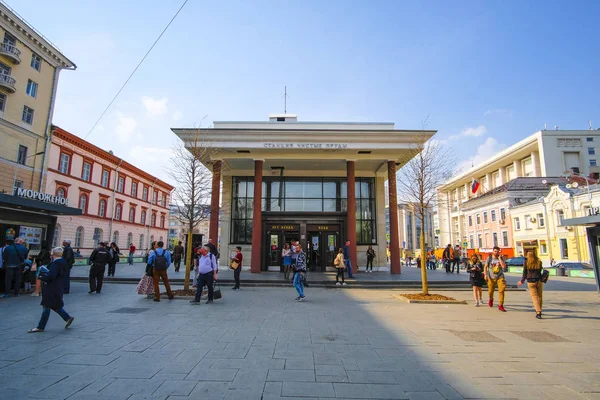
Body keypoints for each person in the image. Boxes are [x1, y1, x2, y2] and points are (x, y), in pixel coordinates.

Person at [28, 246, 74, 333]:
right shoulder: (64, 262)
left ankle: (40, 326)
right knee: (54, 305)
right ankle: (67, 317)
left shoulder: (55, 264)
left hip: (51, 287)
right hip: (58, 287)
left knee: (46, 306)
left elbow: (52, 275)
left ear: (53, 254)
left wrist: (42, 276)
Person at [518, 251, 545, 319]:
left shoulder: (526, 262)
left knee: (534, 297)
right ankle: (539, 310)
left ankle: (538, 311)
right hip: (539, 280)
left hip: (530, 281)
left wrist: (522, 281)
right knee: (539, 296)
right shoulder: (539, 262)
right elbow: (541, 270)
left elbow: (524, 273)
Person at [484, 246, 507, 312]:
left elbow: (503, 267)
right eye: (495, 251)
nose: (496, 253)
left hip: (500, 276)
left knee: (502, 290)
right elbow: (485, 267)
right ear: (493, 251)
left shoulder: (502, 257)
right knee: (491, 290)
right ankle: (491, 298)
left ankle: (501, 305)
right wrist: (485, 275)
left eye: (498, 251)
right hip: (491, 277)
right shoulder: (489, 258)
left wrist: (499, 258)